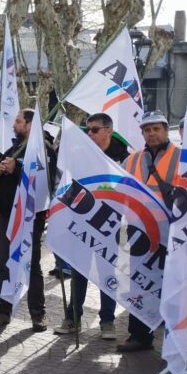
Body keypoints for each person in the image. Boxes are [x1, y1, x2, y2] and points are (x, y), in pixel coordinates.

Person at [52, 113, 129, 339]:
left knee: (108, 275)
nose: (89, 134)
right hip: (83, 224)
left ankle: (107, 322)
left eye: (94, 129)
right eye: (87, 129)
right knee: (78, 273)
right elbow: (66, 186)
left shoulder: (124, 158)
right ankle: (72, 319)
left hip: (111, 227)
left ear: (108, 130)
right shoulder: (79, 156)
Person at [119, 109, 187, 352]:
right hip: (139, 233)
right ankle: (139, 335)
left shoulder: (184, 158)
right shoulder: (132, 160)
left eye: (156, 128)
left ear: (166, 130)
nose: (152, 133)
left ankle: (175, 339)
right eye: (147, 130)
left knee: (174, 287)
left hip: (172, 236)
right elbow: (121, 193)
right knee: (137, 284)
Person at [0, 109, 55, 332]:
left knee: (31, 262)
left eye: (18, 121)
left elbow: (42, 179)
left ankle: (38, 314)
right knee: (4, 261)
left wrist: (16, 169)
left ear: (29, 125)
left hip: (30, 216)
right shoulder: (13, 148)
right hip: (7, 215)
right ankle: (4, 309)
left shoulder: (43, 148)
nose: (14, 125)